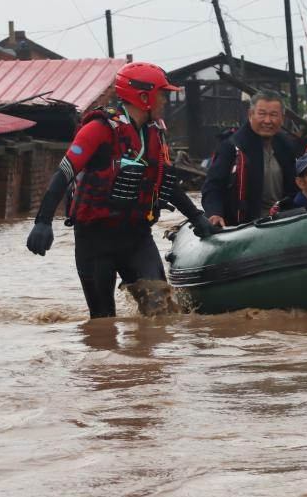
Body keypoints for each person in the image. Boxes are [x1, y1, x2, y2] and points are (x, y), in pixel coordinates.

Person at [26, 61, 219, 318]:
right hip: (94, 241)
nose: (165, 100)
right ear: (143, 96)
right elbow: (63, 173)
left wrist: (196, 217)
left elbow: (163, 182)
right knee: (103, 323)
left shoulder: (155, 133)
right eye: (162, 94)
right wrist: (43, 221)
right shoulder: (98, 130)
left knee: (161, 310)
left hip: (137, 237)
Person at [202, 91, 298, 226]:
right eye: (262, 114)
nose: (267, 120)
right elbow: (212, 187)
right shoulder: (231, 146)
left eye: (273, 115)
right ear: (250, 115)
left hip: (282, 221)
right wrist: (214, 213)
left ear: (283, 117)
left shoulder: (286, 145)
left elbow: (296, 187)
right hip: (244, 226)